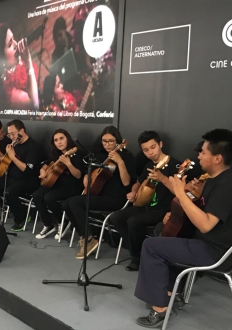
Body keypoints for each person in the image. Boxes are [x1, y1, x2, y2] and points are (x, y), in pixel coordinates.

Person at [134, 128, 232, 328]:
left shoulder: (225, 185)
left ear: (217, 158)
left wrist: (179, 192)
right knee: (166, 237)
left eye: (203, 152)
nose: (199, 156)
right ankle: (170, 293)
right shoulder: (215, 180)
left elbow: (205, 225)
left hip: (215, 252)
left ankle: (160, 309)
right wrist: (187, 201)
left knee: (151, 246)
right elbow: (206, 212)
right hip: (206, 243)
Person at [110, 131, 180, 271]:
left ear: (160, 144)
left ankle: (137, 258)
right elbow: (138, 182)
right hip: (144, 205)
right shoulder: (148, 164)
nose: (150, 152)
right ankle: (138, 251)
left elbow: (180, 193)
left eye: (153, 147)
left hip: (163, 210)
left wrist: (163, 179)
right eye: (146, 150)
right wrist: (134, 191)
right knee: (115, 217)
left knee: (134, 222)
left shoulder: (175, 165)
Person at [63, 126, 136, 259]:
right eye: (104, 141)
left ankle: (88, 239)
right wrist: (87, 176)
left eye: (111, 141)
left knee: (74, 202)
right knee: (66, 203)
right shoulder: (101, 155)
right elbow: (92, 171)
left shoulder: (126, 156)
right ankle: (84, 236)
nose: (107, 144)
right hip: (99, 195)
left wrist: (120, 162)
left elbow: (126, 182)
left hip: (116, 199)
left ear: (118, 141)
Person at [0, 120, 44, 231]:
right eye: (9, 134)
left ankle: (21, 218)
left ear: (21, 131)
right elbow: (8, 159)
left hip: (28, 180)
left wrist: (12, 157)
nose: (11, 137)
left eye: (13, 134)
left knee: (9, 192)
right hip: (12, 178)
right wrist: (0, 159)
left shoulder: (33, 146)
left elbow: (28, 170)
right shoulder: (15, 144)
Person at [33, 129, 85, 240]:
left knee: (49, 198)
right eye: (56, 140)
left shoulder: (76, 153)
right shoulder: (55, 154)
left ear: (68, 139)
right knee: (37, 195)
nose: (59, 142)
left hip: (72, 187)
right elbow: (46, 163)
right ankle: (48, 225)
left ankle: (63, 221)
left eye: (61, 138)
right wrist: (43, 171)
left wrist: (68, 164)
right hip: (56, 184)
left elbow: (78, 175)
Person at [0, 23, 39, 110]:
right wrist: (28, 62)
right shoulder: (6, 88)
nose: (16, 44)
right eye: (10, 44)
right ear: (2, 58)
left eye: (14, 39)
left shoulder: (20, 68)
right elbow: (35, 105)